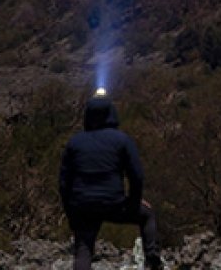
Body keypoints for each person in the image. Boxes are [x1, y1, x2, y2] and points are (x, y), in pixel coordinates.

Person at [59, 91, 163, 270]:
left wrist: (72, 213)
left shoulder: (74, 143)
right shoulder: (122, 140)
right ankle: (152, 261)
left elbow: (63, 183)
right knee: (147, 215)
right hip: (114, 203)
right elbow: (136, 175)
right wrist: (133, 201)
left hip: (83, 206)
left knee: (83, 249)